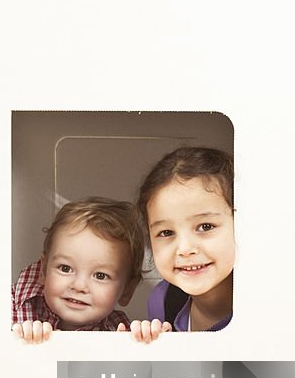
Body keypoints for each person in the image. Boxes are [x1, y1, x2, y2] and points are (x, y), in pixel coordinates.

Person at [124, 146, 234, 342]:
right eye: (166, 232)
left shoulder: (266, 306)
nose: (184, 249)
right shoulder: (162, 301)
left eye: (205, 226)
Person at [12, 197, 143, 343]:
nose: (79, 286)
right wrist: (20, 339)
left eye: (100, 275)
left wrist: (150, 341)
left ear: (127, 291)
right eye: (65, 268)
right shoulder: (7, 306)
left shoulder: (122, 332)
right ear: (43, 270)